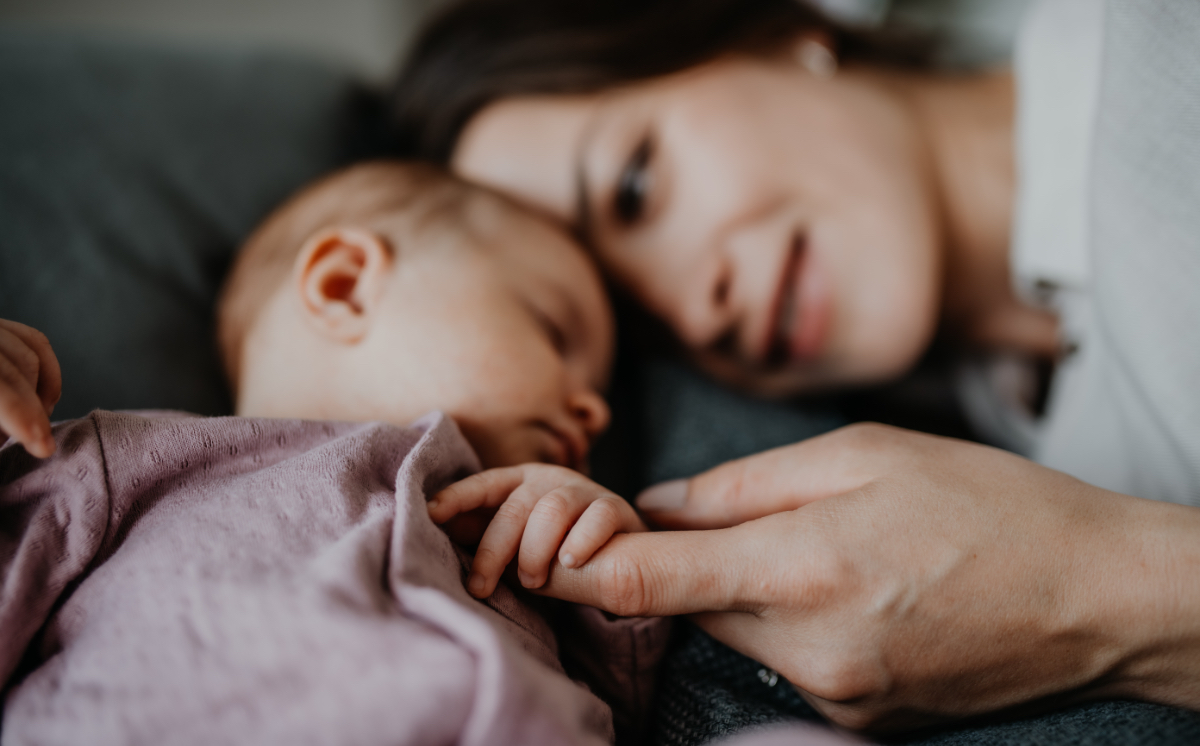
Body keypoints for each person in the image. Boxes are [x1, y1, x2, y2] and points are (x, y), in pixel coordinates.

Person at [388, 0, 1200, 736]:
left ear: (784, 32)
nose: (694, 312)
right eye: (632, 323)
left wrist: (1094, 596)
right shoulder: (1004, 434)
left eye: (635, 186)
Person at [0, 161, 673, 745]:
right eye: (554, 333)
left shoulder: (518, 558)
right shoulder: (133, 465)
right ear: (344, 286)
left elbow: (624, 711)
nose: (596, 410)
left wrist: (598, 564)